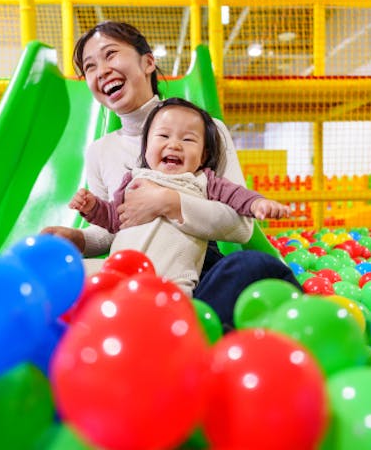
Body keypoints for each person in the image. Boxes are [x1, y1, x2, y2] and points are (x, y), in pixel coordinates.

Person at [41, 21, 299, 328]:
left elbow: (240, 226)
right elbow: (117, 226)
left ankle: (182, 332)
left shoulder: (205, 131)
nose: (102, 71)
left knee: (254, 267)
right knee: (54, 276)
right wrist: (79, 238)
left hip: (190, 266)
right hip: (129, 269)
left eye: (110, 55)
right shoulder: (100, 151)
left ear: (148, 62)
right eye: (90, 66)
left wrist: (169, 201)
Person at [70, 97, 290, 296]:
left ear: (203, 155)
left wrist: (257, 203)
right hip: (117, 273)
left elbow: (236, 195)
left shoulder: (204, 181)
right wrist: (92, 208)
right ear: (146, 148)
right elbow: (113, 218)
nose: (174, 144)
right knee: (73, 273)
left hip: (171, 283)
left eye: (188, 140)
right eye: (164, 136)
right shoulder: (133, 180)